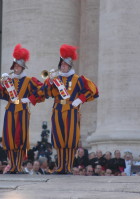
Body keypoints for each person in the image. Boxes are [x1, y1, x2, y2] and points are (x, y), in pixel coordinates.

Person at [41, 44, 99, 174]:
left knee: (70, 140)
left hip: (72, 111)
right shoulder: (55, 79)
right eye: (61, 65)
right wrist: (49, 82)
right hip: (57, 110)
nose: (62, 66)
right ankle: (60, 166)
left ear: (69, 66)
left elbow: (93, 90)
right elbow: (46, 93)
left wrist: (80, 99)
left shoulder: (78, 79)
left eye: (65, 65)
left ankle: (67, 167)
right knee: (59, 140)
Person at [0, 44, 44, 173]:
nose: (16, 69)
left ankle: (18, 165)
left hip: (22, 111)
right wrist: (1, 85)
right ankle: (12, 165)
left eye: (18, 66)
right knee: (9, 138)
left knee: (20, 139)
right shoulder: (8, 80)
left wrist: (29, 99)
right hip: (10, 110)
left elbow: (42, 90)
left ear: (22, 67)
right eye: (15, 66)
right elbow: (0, 94)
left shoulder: (29, 80)